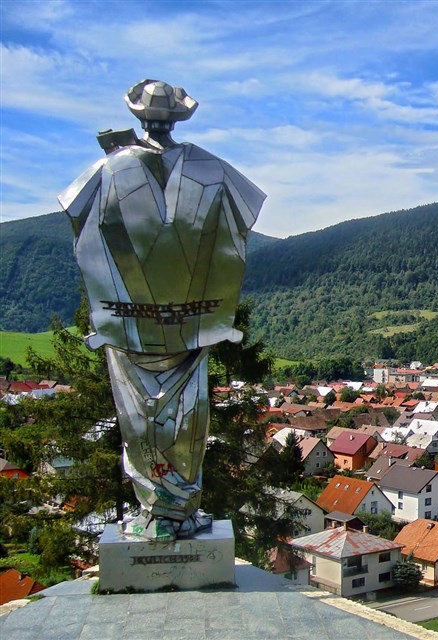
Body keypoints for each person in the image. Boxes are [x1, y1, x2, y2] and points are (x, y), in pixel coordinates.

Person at [60, 79, 265, 541]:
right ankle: (180, 509)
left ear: (138, 116)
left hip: (128, 322)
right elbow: (241, 227)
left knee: (137, 418)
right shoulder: (212, 169)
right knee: (190, 419)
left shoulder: (108, 169)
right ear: (179, 117)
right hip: (193, 323)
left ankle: (157, 511)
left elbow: (80, 225)